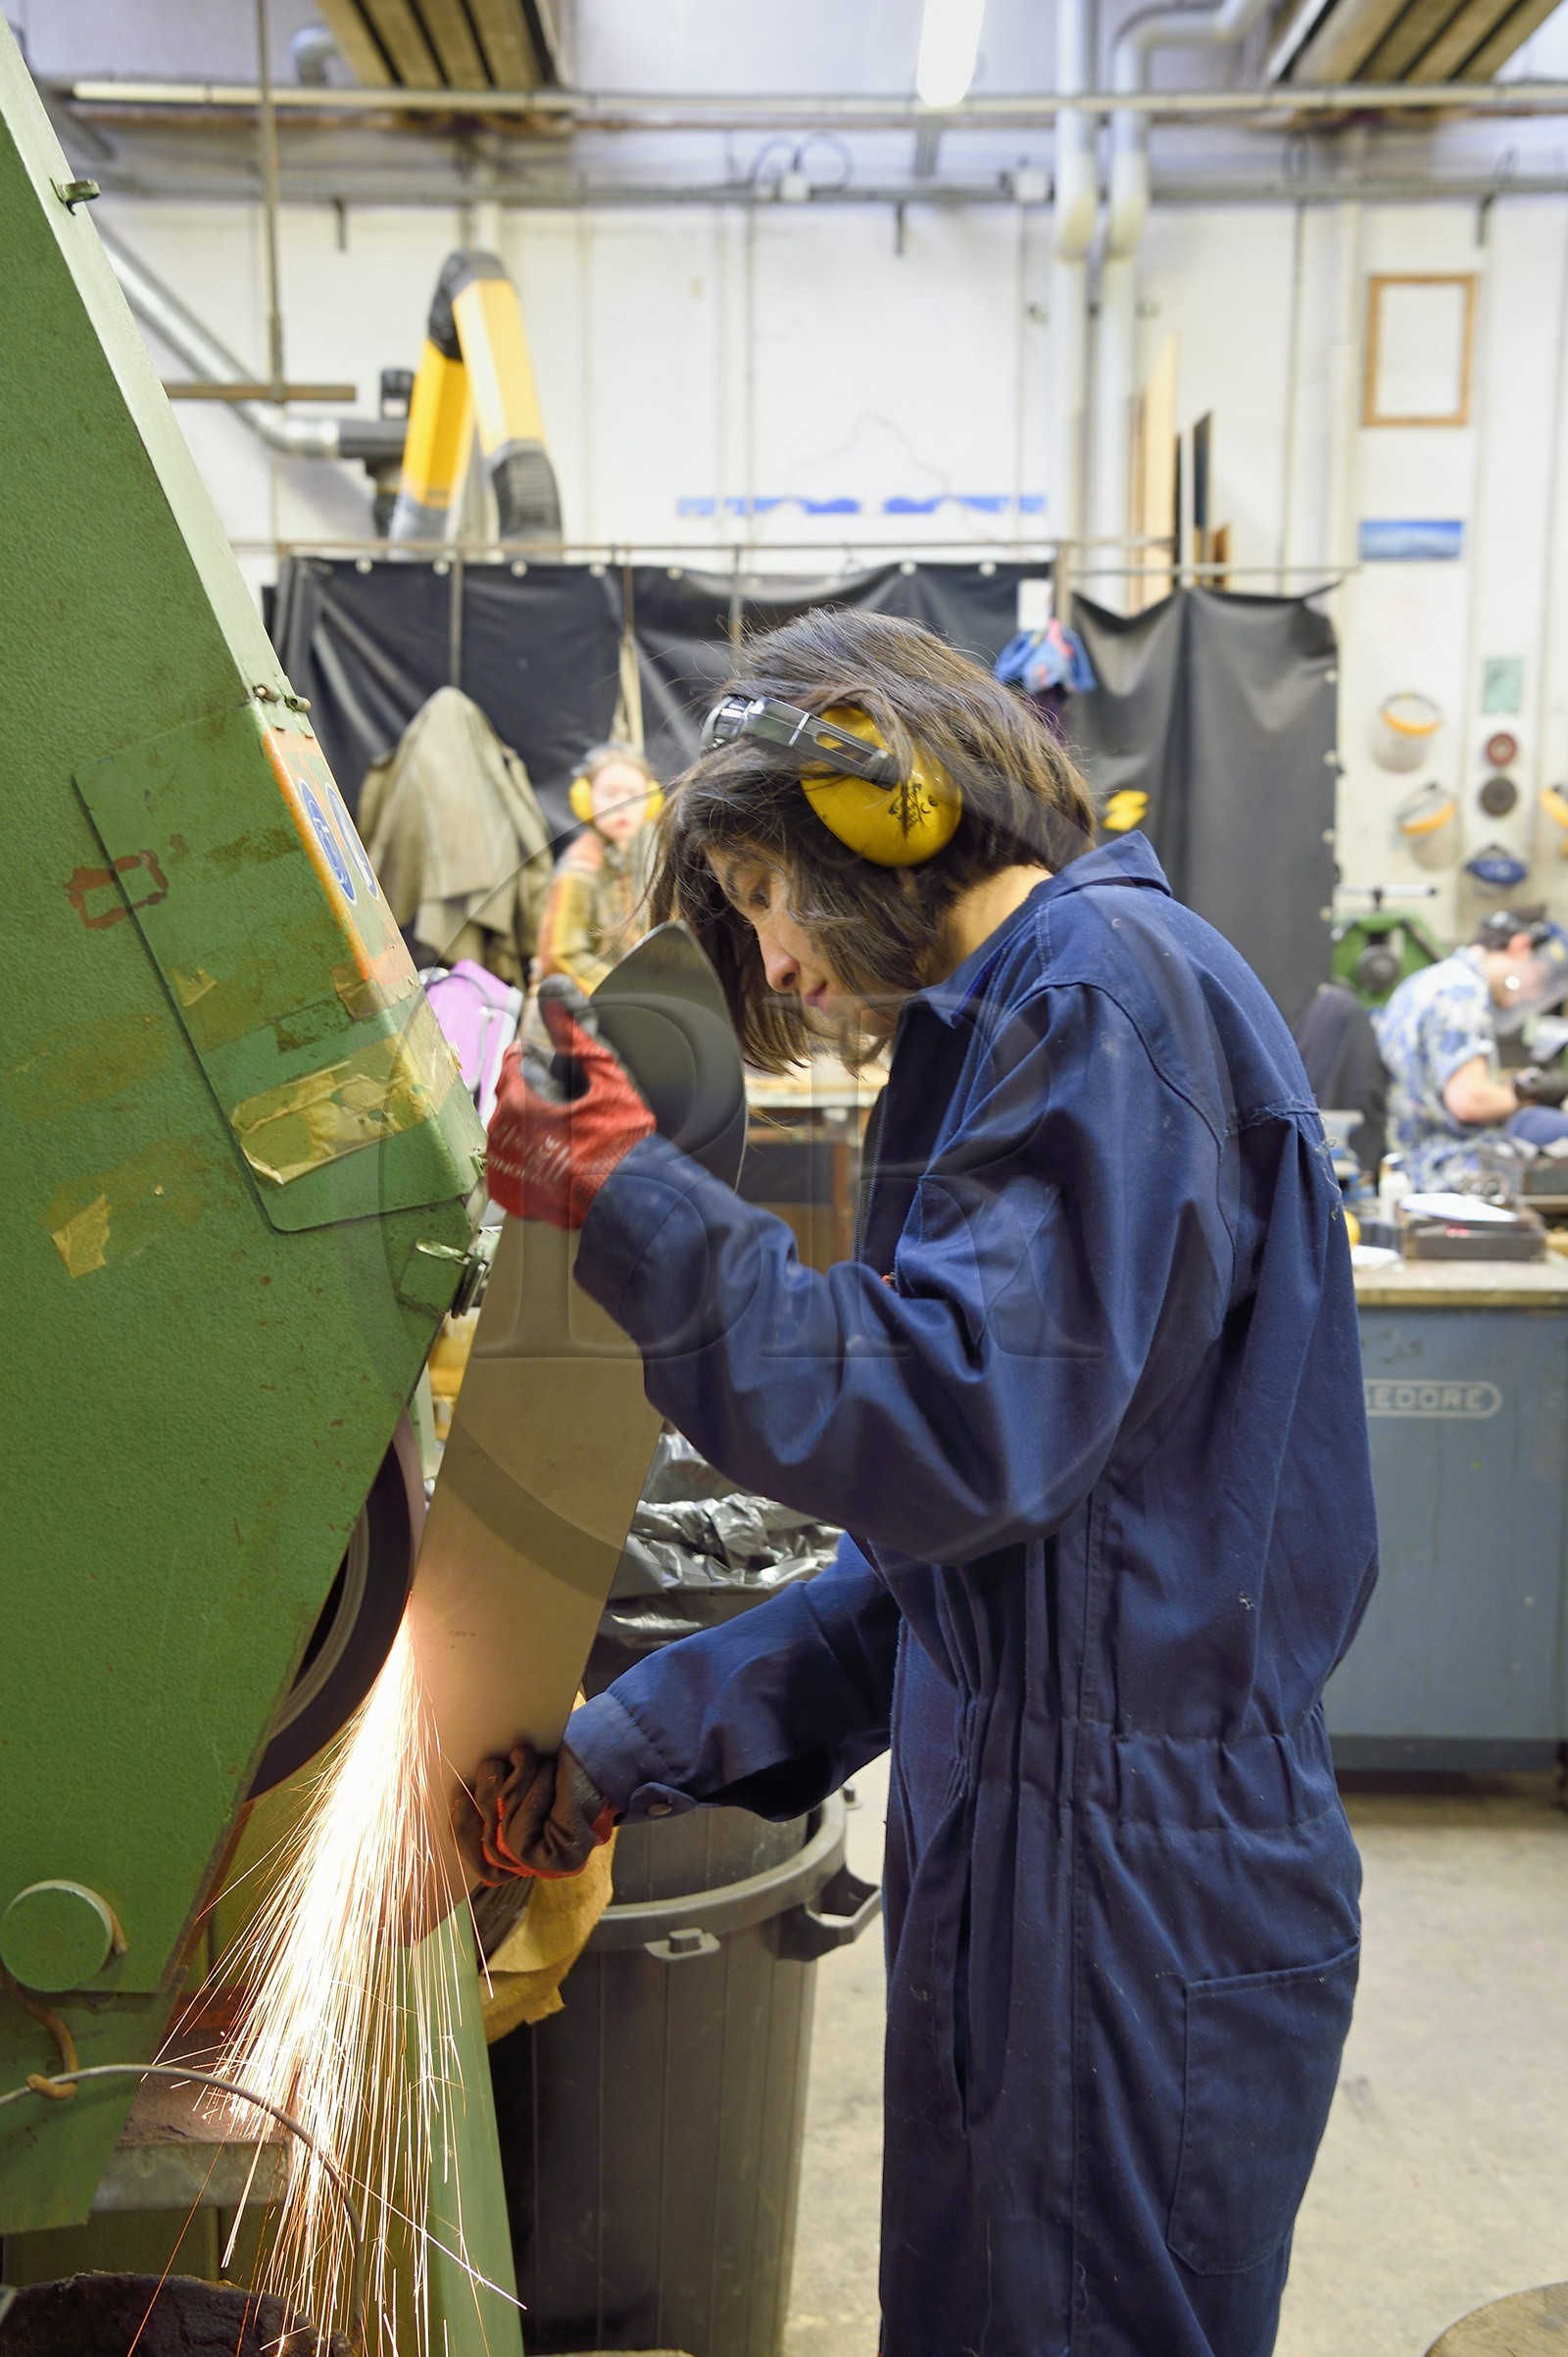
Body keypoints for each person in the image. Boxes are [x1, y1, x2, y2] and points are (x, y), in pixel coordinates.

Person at [478, 610, 1378, 2357]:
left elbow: (949, 1433)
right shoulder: (1023, 1022)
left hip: (1137, 1892)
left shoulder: (1110, 1003)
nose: (774, 955)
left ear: (884, 802)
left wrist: (632, 1202)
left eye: (760, 890)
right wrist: (620, 1754)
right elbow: (950, 1593)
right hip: (1047, 1867)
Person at [1373, 911, 1568, 1192]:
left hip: (1411, 1157)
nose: (1531, 994)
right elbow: (1469, 1101)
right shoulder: (1462, 992)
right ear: (1520, 947)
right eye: (1541, 977)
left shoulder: (1427, 980)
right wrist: (1525, 1092)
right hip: (1449, 1164)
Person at [535, 740, 662, 992]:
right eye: (610, 794)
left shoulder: (651, 856)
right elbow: (561, 956)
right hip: (583, 1010)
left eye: (634, 795)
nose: (623, 805)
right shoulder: (579, 869)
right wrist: (628, 990)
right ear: (585, 798)